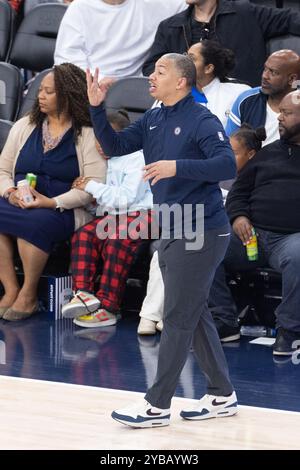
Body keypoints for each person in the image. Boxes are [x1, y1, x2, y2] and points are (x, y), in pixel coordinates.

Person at [86, 53, 237, 427]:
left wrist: (176, 167)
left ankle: (157, 405)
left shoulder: (202, 120)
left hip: (201, 229)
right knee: (193, 312)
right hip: (172, 225)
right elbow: (116, 146)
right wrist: (96, 109)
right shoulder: (155, 117)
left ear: (182, 81)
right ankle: (222, 394)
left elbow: (226, 166)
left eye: (160, 71)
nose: (151, 76)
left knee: (177, 317)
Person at [0, 63, 106, 322]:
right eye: (41, 90)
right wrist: (10, 191)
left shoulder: (88, 133)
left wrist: (51, 202)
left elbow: (94, 185)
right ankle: (11, 288)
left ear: (68, 95)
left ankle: (28, 294)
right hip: (18, 201)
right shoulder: (26, 125)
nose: (41, 95)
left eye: (49, 91)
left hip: (63, 208)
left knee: (36, 223)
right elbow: (2, 169)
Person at [137, 123, 266, 336]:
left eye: (233, 153)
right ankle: (153, 316)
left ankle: (171, 316)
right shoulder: (215, 173)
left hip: (235, 238)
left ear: (251, 154)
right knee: (164, 249)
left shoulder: (254, 178)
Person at [209, 90, 300, 355]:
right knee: (200, 241)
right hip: (251, 236)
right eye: (279, 112)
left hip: (292, 239)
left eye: (287, 113)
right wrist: (238, 217)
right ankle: (224, 321)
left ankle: (290, 331)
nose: (279, 118)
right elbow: (238, 193)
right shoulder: (267, 154)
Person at [61, 110, 153, 328]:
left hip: (148, 213)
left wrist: (90, 185)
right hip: (117, 216)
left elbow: (126, 198)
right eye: (98, 139)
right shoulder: (107, 161)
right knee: (83, 235)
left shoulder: (138, 157)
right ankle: (83, 295)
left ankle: (109, 306)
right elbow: (108, 204)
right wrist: (92, 202)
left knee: (117, 239)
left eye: (106, 139)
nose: (100, 144)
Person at [142, 0, 300, 87]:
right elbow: (151, 67)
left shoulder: (245, 13)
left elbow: (290, 19)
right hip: (190, 102)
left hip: (241, 102)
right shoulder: (170, 26)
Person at [54, 0, 186, 78]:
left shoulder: (155, 4)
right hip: (86, 89)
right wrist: (99, 82)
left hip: (133, 93)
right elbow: (67, 62)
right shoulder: (80, 8)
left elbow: (195, 6)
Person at [226, 50, 300, 146]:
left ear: (291, 79)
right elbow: (229, 144)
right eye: (265, 69)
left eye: (273, 72)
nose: (265, 76)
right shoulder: (246, 100)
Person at [187, 40, 250, 128]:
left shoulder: (240, 92)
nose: (184, 62)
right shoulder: (174, 90)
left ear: (208, 68)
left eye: (191, 59)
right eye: (185, 56)